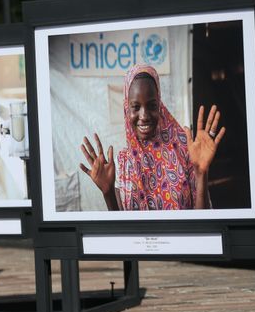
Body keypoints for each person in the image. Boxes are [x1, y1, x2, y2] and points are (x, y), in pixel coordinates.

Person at [79, 64, 226, 210]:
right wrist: (108, 192)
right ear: (126, 108)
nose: (144, 116)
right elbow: (121, 229)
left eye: (152, 106)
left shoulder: (184, 151)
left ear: (160, 106)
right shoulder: (122, 163)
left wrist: (201, 175)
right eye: (136, 107)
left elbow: (201, 223)